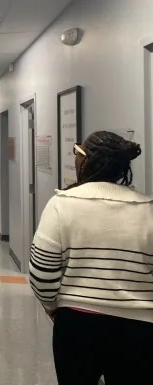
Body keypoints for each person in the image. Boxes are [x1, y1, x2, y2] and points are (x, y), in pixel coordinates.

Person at [30, 131, 153, 385]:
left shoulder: (61, 204)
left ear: (86, 161)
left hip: (77, 325)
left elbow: (42, 275)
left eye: (78, 153)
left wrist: (56, 309)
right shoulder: (148, 208)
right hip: (139, 329)